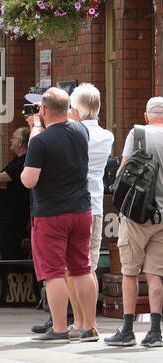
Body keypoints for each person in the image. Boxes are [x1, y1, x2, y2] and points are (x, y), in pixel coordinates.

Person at [20, 87, 96, 341]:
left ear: (42, 111)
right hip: (82, 209)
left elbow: (29, 181)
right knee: (82, 268)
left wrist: (34, 130)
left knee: (53, 273)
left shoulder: (40, 140)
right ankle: (90, 327)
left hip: (51, 213)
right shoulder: (81, 131)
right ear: (67, 109)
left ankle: (60, 328)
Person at [104, 97, 163, 347]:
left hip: (136, 215)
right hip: (162, 217)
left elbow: (123, 172)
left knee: (129, 273)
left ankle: (127, 329)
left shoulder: (138, 133)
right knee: (155, 275)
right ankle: (155, 332)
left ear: (147, 115)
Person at [60, 84, 114, 341]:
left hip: (73, 205)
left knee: (73, 268)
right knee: (89, 265)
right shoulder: (107, 136)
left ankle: (82, 321)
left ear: (76, 109)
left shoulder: (71, 133)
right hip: (96, 205)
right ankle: (87, 322)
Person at [0, 126, 32, 260]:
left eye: (13, 138)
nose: (10, 141)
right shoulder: (15, 161)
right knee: (6, 252)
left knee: (11, 254)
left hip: (13, 218)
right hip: (5, 217)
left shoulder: (23, 162)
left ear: (20, 142)